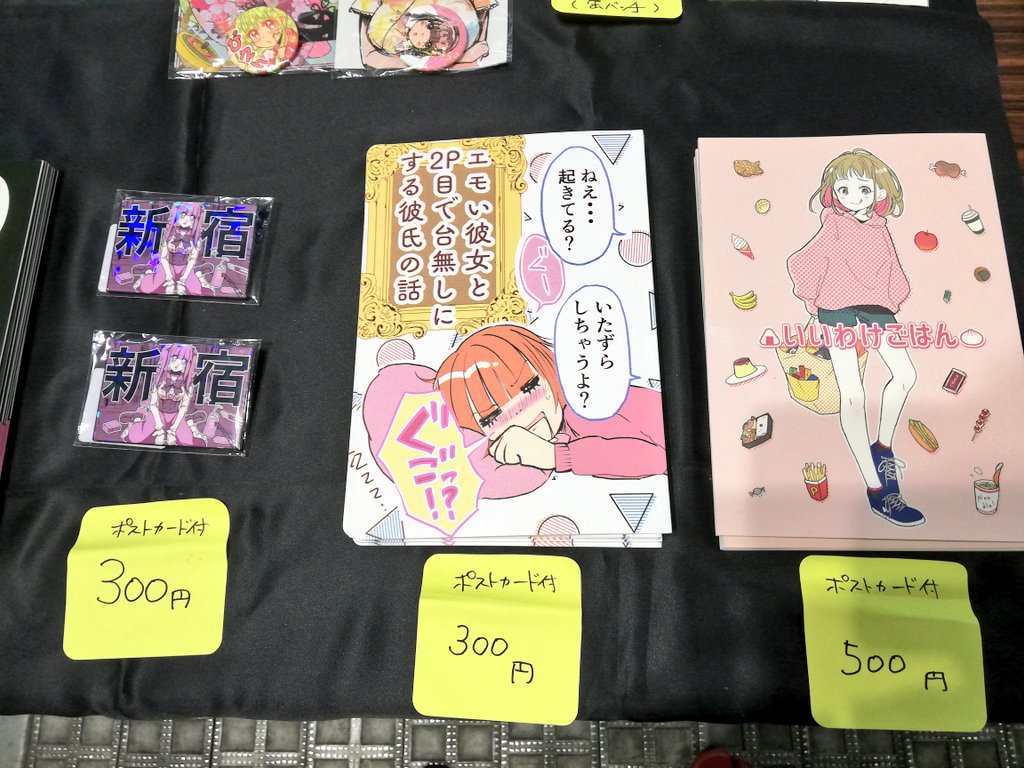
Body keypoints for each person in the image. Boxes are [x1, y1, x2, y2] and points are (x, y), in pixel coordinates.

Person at [363, 325, 666, 501]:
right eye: (491, 418)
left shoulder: (592, 406)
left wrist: (556, 457)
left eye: (529, 387)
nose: (523, 413)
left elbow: (662, 455)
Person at [787, 149, 924, 527]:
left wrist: (892, 298)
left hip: (875, 307)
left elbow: (891, 269)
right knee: (853, 394)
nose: (852, 197)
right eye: (844, 189)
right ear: (833, 192)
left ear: (879, 191)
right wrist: (813, 301)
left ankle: (882, 447)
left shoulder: (880, 227)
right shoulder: (833, 224)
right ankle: (878, 490)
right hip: (837, 309)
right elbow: (802, 262)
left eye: (862, 189)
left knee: (906, 375)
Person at [350, 0, 493, 71]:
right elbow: (370, 58)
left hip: (461, 84)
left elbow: (479, 54)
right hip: (394, 85)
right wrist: (460, 58)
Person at [126, 344, 199, 447]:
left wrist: (174, 428)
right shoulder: (160, 380)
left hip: (176, 416)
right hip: (157, 413)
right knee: (136, 437)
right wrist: (159, 425)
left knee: (187, 442)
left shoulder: (187, 385)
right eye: (174, 359)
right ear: (167, 359)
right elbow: (153, 404)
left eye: (183, 361)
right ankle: (136, 420)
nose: (177, 365)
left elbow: (183, 407)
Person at [138, 202, 205, 296]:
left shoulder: (196, 240)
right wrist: (168, 275)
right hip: (167, 265)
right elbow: (163, 257)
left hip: (185, 267)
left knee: (196, 291)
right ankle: (147, 274)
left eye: (191, 218)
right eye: (182, 216)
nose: (186, 221)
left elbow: (192, 260)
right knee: (147, 288)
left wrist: (184, 278)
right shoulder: (169, 235)